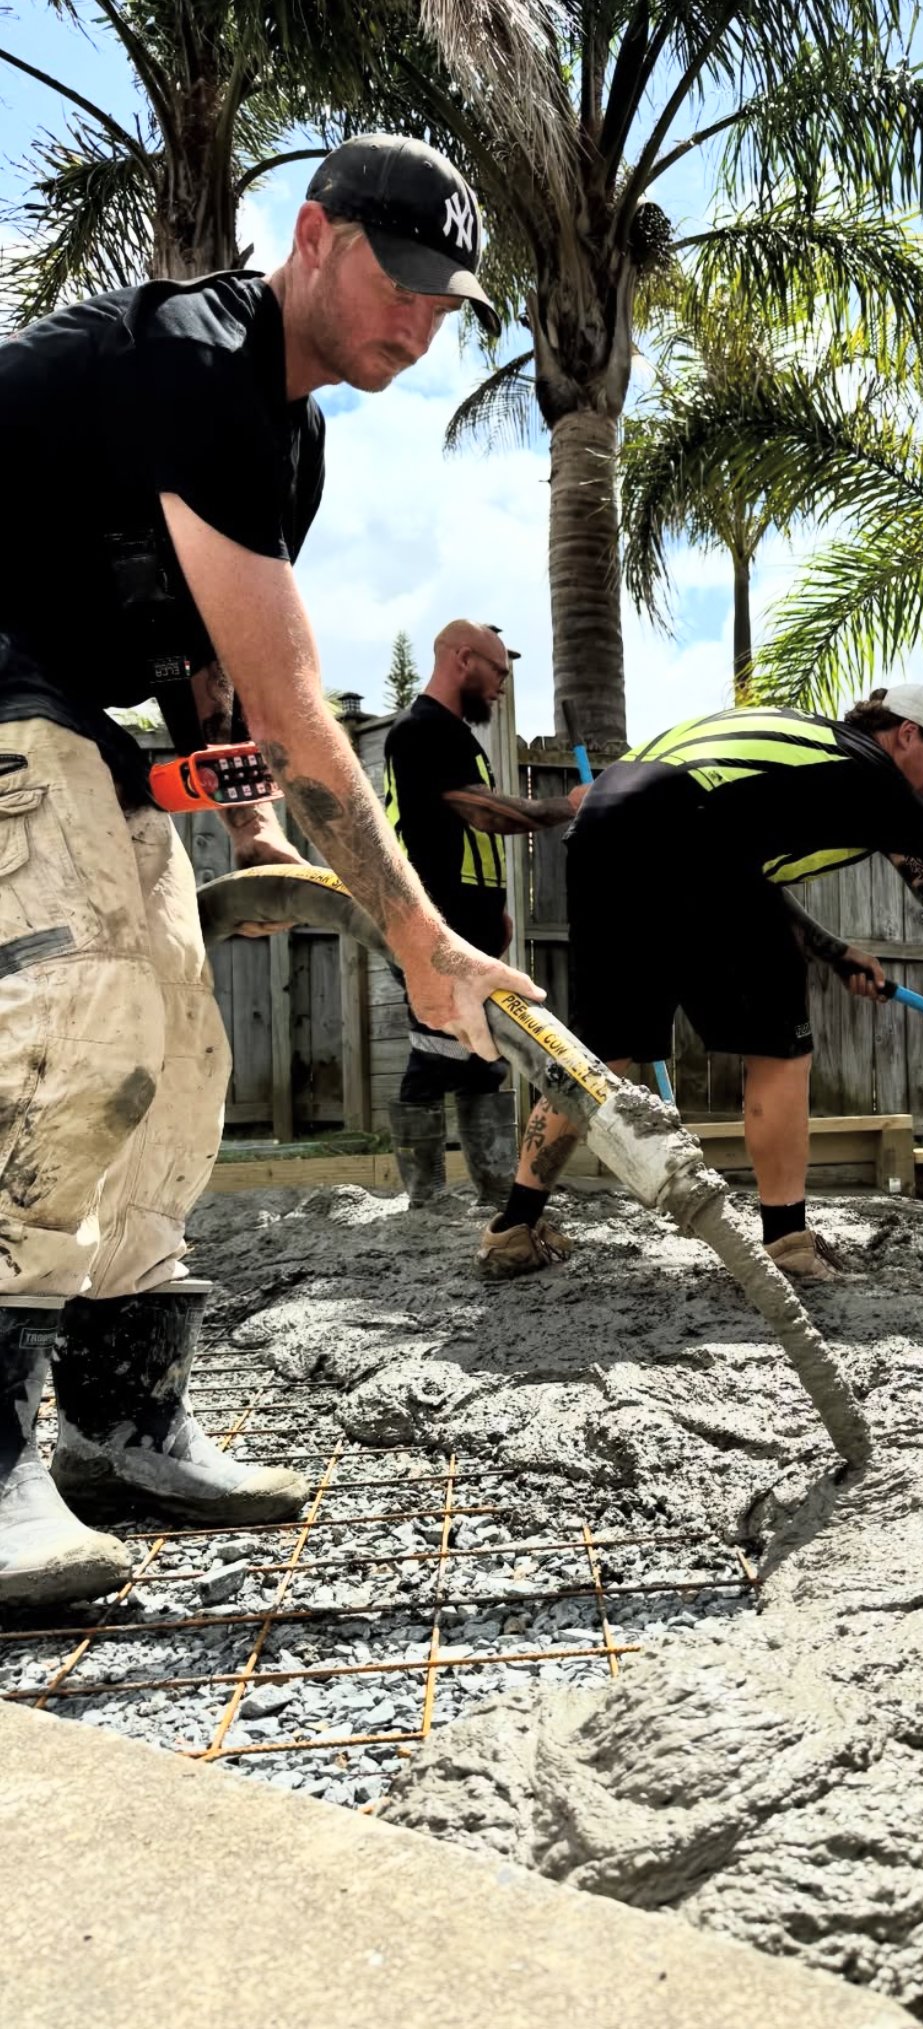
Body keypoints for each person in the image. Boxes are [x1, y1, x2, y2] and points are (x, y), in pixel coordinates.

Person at [0, 133, 541, 1609]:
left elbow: (194, 645)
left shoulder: (287, 437)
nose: (421, 321)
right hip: (10, 687)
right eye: (401, 278)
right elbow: (304, 711)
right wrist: (421, 937)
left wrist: (243, 821)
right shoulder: (192, 355)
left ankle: (120, 1420)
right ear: (312, 236)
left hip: (62, 696)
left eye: (446, 302)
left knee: (180, 1037)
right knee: (79, 1011)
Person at [476, 683, 923, 1282]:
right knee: (780, 1049)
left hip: (605, 833)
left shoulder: (801, 749)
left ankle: (512, 1230)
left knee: (599, 1057)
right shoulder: (873, 772)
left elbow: (745, 873)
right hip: (684, 833)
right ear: (905, 735)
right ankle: (787, 1241)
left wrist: (832, 950)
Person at [382, 619, 586, 1203]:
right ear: (463, 659)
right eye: (498, 670)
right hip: (431, 922)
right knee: (436, 1047)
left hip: (466, 919)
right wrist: (563, 805)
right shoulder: (420, 730)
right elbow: (485, 813)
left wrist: (492, 907)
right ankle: (425, 1196)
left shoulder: (453, 734)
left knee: (479, 1054)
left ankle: (495, 1186)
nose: (501, 684)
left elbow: (470, 836)